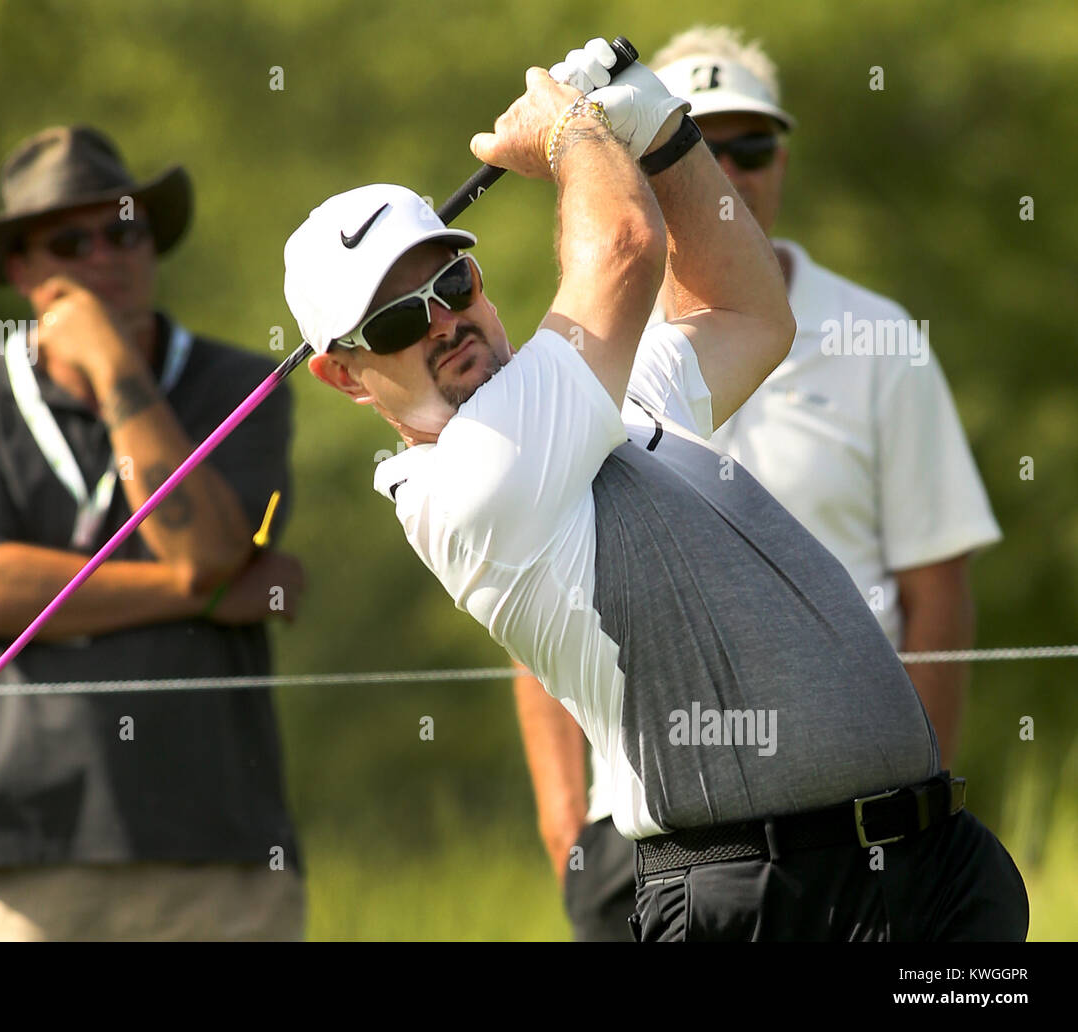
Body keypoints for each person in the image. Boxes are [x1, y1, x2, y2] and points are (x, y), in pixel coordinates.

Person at [284, 40, 1028, 941]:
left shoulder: (583, 398)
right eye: (401, 319)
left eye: (453, 280)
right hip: (756, 899)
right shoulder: (467, 479)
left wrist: (666, 136)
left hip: (928, 876)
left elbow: (750, 314)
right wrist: (572, 135)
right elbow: (626, 246)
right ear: (346, 377)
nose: (446, 321)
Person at [513, 26, 1005, 942]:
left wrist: (916, 797)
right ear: (636, 157)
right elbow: (532, 608)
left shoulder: (881, 336)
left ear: (781, 158)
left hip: (859, 836)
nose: (729, 170)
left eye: (751, 146)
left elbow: (937, 592)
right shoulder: (577, 357)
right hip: (648, 836)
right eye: (695, 139)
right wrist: (564, 824)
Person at [0, 125, 306, 941]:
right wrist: (201, 593)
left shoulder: (239, 384)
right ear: (21, 268)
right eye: (71, 240)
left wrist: (117, 372)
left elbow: (208, 553)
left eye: (126, 230)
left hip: (223, 853)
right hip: (24, 854)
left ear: (153, 244)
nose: (105, 255)